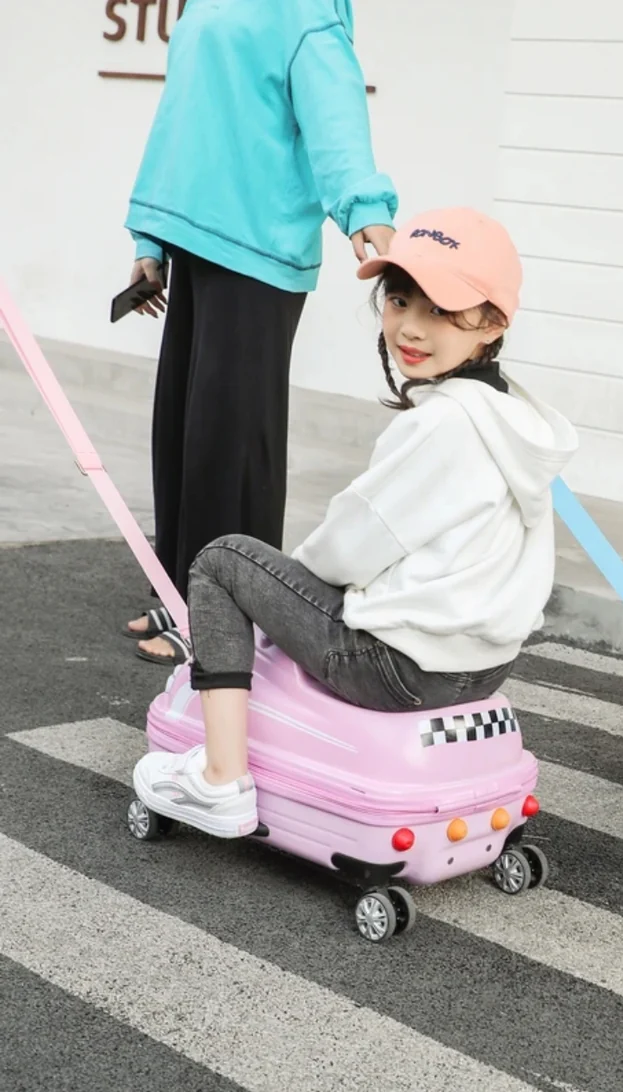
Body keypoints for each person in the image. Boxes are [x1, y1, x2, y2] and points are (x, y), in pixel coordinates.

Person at [132, 208, 578, 838]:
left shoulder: (440, 423)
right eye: (398, 301)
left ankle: (221, 777)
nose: (410, 327)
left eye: (441, 310)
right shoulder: (515, 421)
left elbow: (345, 550)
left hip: (394, 667)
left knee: (223, 562)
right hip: (483, 668)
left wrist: (282, 597)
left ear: (492, 322)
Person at [122, 0, 398, 666]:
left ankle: (223, 621)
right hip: (193, 239)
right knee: (184, 439)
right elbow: (180, 118)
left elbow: (333, 107)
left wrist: (363, 206)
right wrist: (149, 236)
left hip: (258, 248)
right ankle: (184, 594)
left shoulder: (302, 7)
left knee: (232, 448)